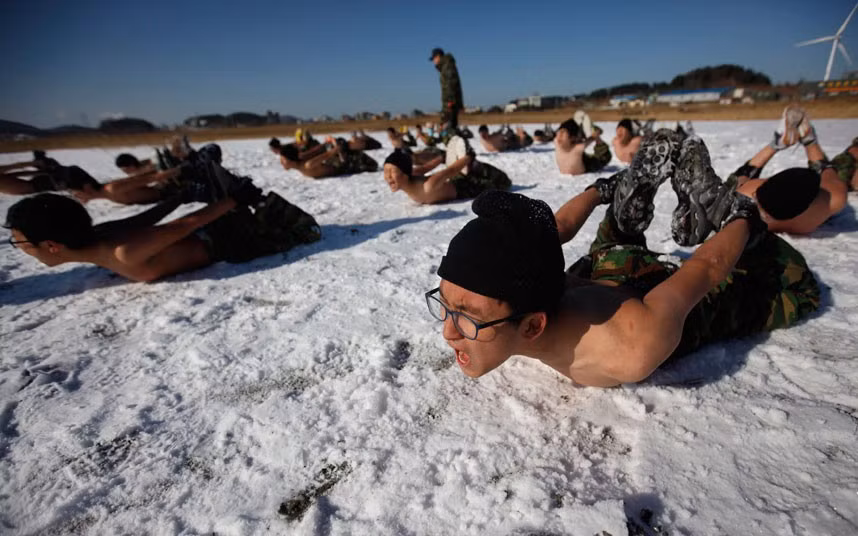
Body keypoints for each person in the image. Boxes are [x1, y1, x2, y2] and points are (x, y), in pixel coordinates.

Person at [425, 130, 819, 386]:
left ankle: (738, 210)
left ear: (531, 326)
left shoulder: (628, 345)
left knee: (792, 285)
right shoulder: (528, 280)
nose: (448, 332)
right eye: (445, 305)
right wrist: (602, 189)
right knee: (610, 253)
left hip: (643, 297)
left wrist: (744, 219)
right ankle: (623, 203)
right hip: (607, 265)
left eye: (468, 317)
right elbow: (552, 228)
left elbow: (707, 268)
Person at [4, 169, 321, 283]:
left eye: (21, 244)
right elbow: (142, 220)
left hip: (231, 237)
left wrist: (234, 200)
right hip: (214, 229)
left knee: (295, 226)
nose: (23, 250)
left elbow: (185, 225)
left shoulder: (123, 253)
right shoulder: (99, 237)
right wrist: (179, 197)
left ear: (52, 245)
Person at [726, 105, 849, 235]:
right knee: (825, 170)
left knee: (738, 180)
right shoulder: (830, 201)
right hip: (812, 210)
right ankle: (809, 140)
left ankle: (778, 143)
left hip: (750, 193)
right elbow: (827, 172)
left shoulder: (747, 193)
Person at [382, 136, 510, 204]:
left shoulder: (429, 186)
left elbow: (452, 170)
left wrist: (468, 157)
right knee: (464, 171)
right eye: (385, 172)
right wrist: (442, 157)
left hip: (468, 187)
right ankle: (472, 166)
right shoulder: (410, 175)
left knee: (503, 182)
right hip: (455, 180)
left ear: (404, 174)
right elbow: (426, 167)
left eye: (391, 172)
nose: (388, 177)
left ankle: (475, 165)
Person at [279, 138, 378, 179]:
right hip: (340, 163)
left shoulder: (308, 165)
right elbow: (319, 151)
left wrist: (332, 143)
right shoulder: (303, 163)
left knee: (340, 142)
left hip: (350, 164)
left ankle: (366, 143)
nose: (281, 163)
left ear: (290, 159)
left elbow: (331, 152)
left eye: (283, 160)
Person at [430, 48, 464, 138]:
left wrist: (450, 101)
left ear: (438, 56)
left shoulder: (447, 66)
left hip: (450, 102)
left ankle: (460, 148)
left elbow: (451, 83)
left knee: (449, 127)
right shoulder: (445, 66)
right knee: (450, 126)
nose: (433, 61)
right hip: (449, 102)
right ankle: (456, 148)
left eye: (433, 59)